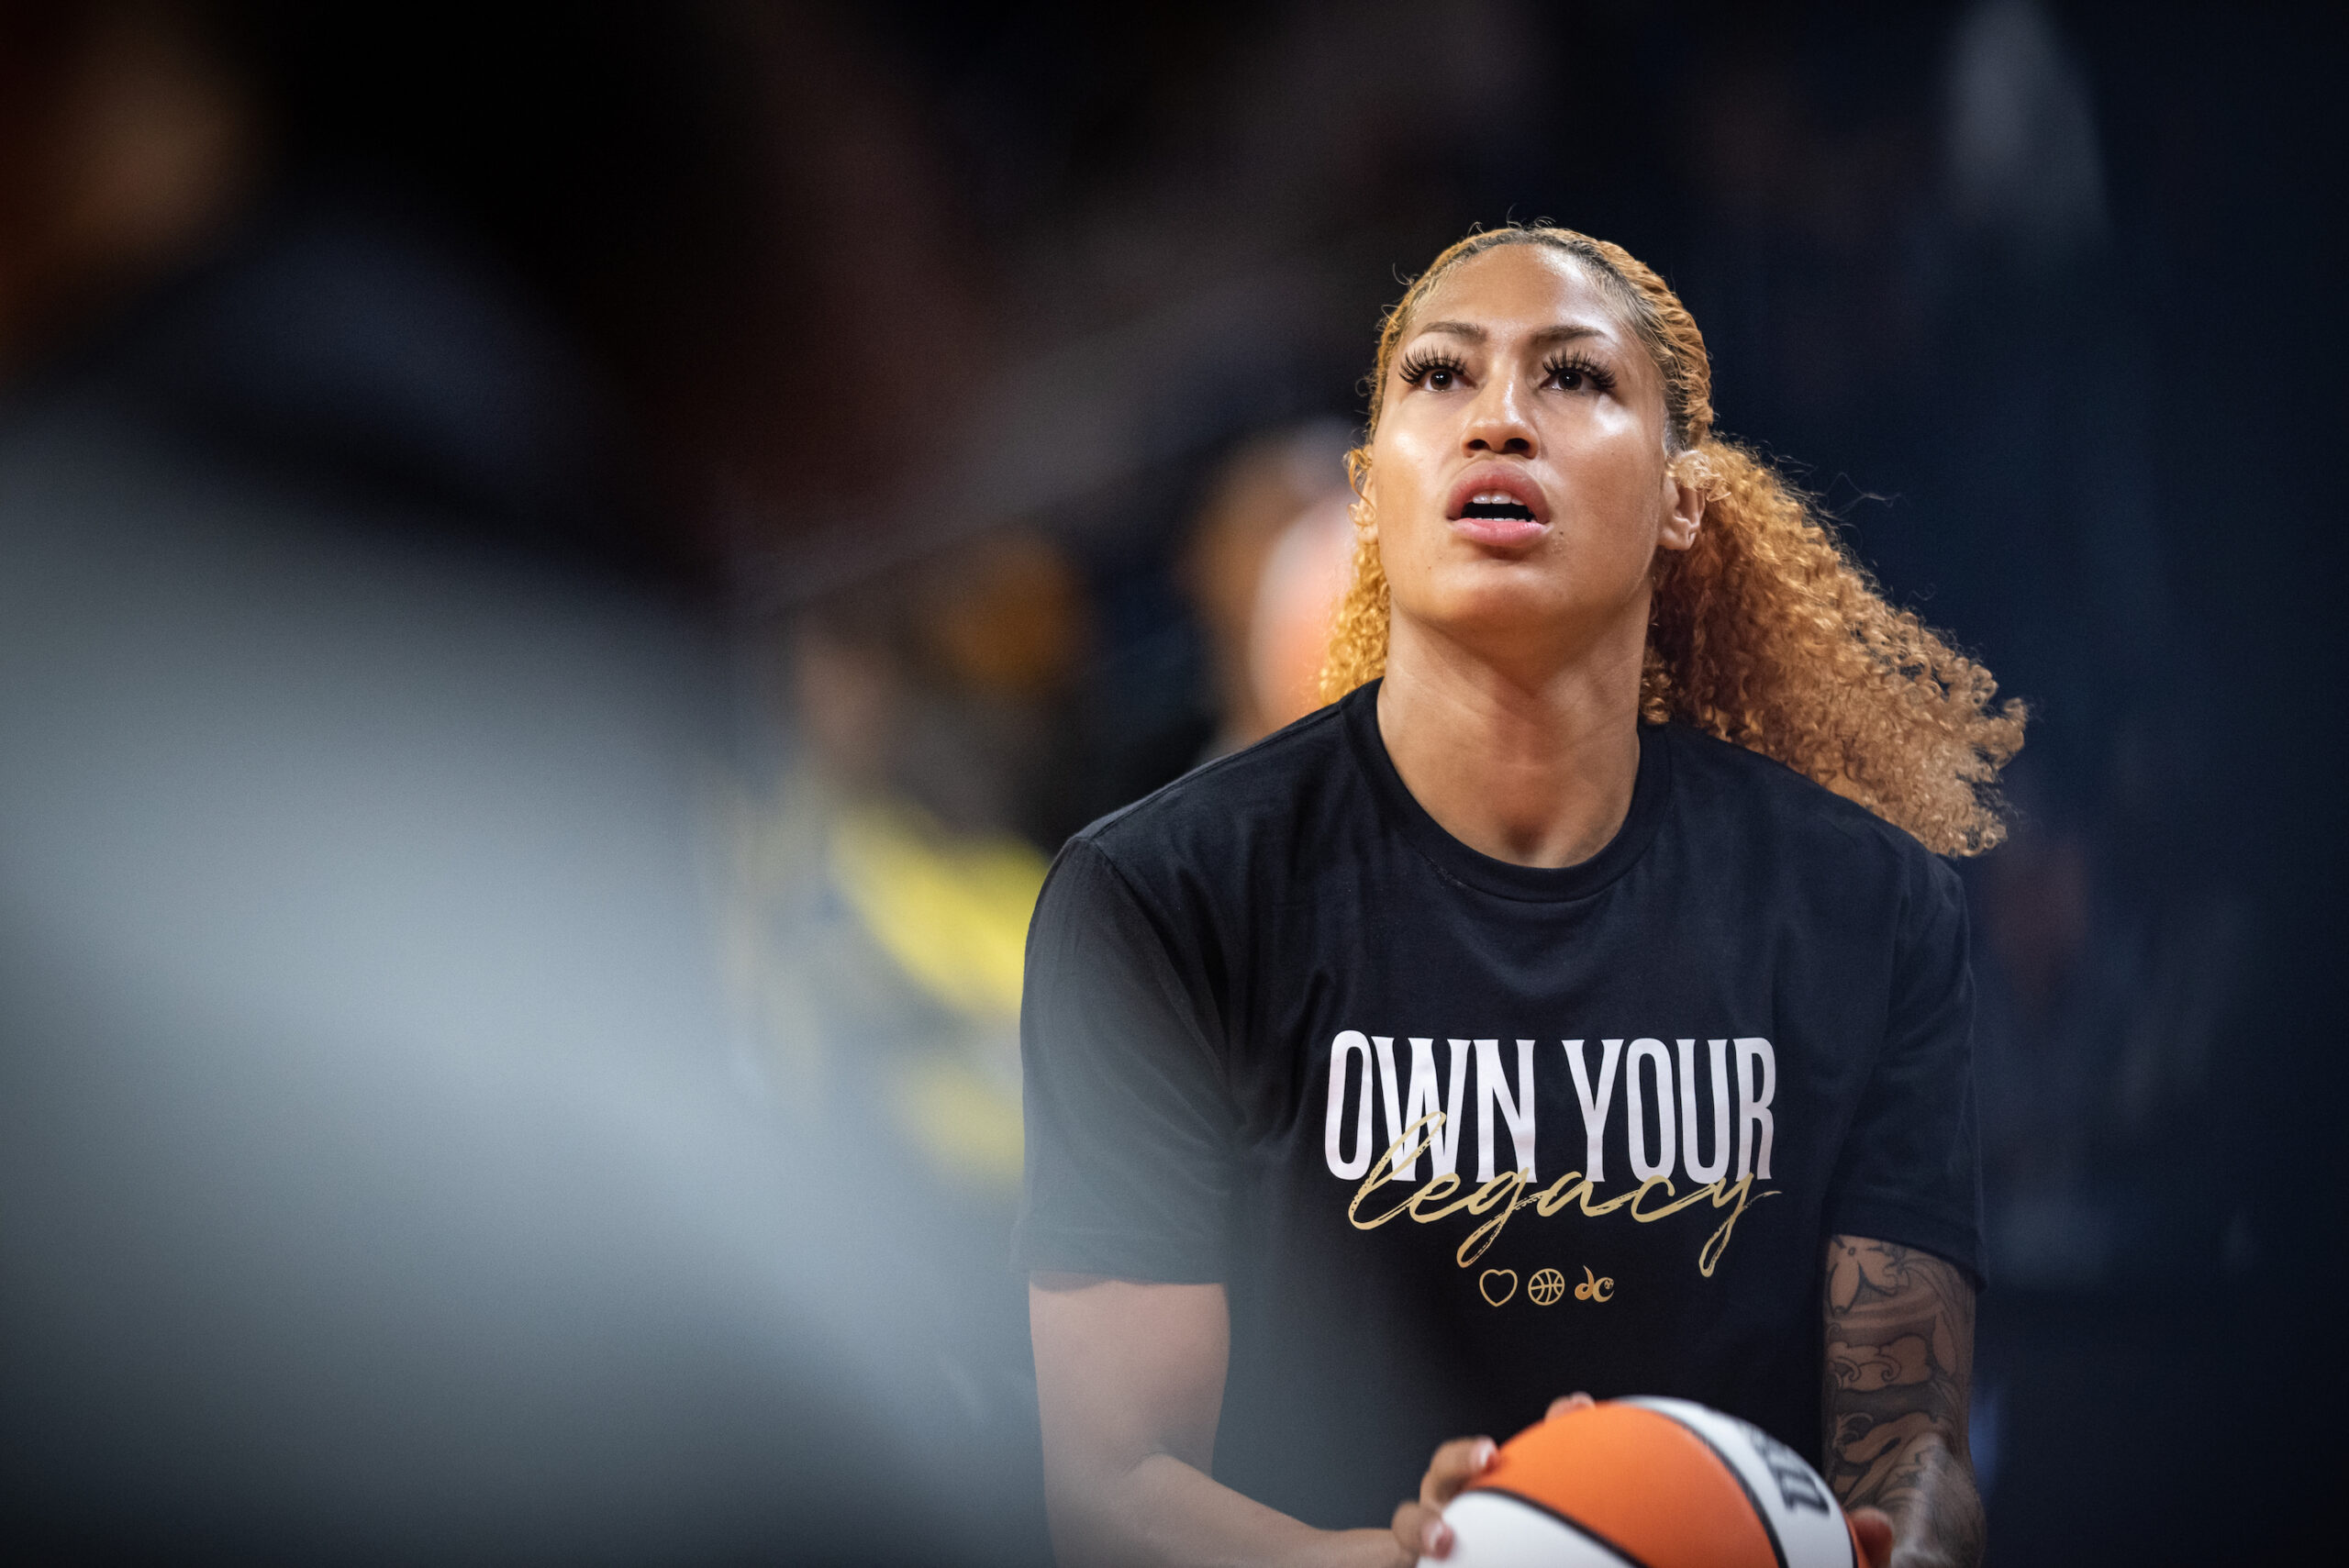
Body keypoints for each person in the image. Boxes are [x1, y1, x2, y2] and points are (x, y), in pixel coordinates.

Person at [1018, 226, 2023, 1568]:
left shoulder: (1870, 907)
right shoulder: (1157, 899)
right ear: (1372, 493)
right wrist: (1427, 1558)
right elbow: (1111, 1488)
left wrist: (1895, 1545)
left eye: (1575, 380)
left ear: (1682, 500)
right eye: (1440, 375)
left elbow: (1913, 1444)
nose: (1498, 417)